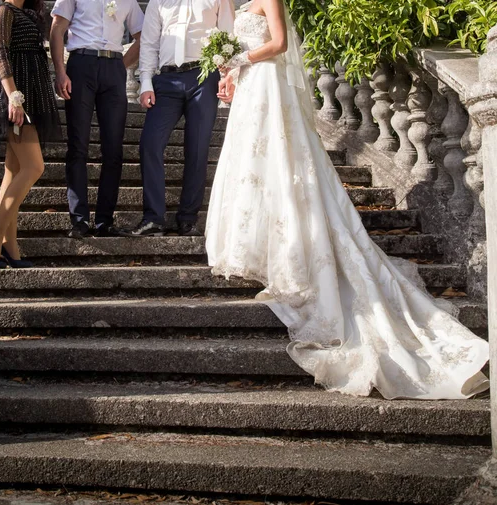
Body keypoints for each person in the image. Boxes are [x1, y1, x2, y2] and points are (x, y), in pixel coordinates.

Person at [205, 0, 489, 399]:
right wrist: (232, 70)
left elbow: (281, 44)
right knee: (252, 162)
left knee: (281, 160)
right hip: (253, 85)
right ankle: (264, 244)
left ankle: (295, 253)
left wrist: (239, 56)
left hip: (267, 83)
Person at [122, 0, 235, 237]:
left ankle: (188, 218)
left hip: (204, 77)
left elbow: (228, 37)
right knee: (150, 144)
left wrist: (227, 77)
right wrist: (145, 83)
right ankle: (153, 218)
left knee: (197, 148)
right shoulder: (158, 2)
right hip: (167, 80)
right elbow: (150, 43)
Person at [50, 0, 144, 239]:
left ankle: (104, 221)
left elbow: (142, 37)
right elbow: (57, 29)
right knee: (78, 145)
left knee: (113, 149)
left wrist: (119, 67)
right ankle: (79, 220)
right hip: (81, 64)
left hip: (113, 66)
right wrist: (60, 72)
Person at [0, 0, 61, 268]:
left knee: (13, 172)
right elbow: (0, 54)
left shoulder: (29, 13)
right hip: (15, 98)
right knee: (34, 167)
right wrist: (14, 98)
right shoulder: (3, 12)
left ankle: (10, 247)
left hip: (30, 97)